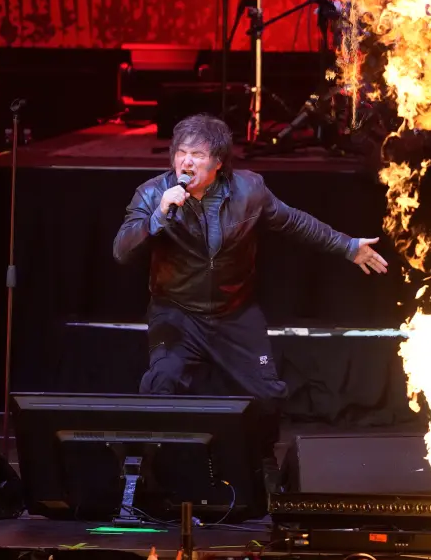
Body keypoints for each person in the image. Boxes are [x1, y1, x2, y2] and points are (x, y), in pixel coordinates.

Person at [112, 114, 388, 472]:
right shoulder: (152, 194)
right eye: (181, 153)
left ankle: (263, 472)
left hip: (234, 312)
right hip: (176, 311)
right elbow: (121, 250)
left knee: (267, 393)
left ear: (219, 161)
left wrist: (348, 246)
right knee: (161, 381)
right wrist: (158, 216)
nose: (187, 162)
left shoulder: (249, 190)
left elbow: (294, 222)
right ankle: (151, 474)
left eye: (197, 154)